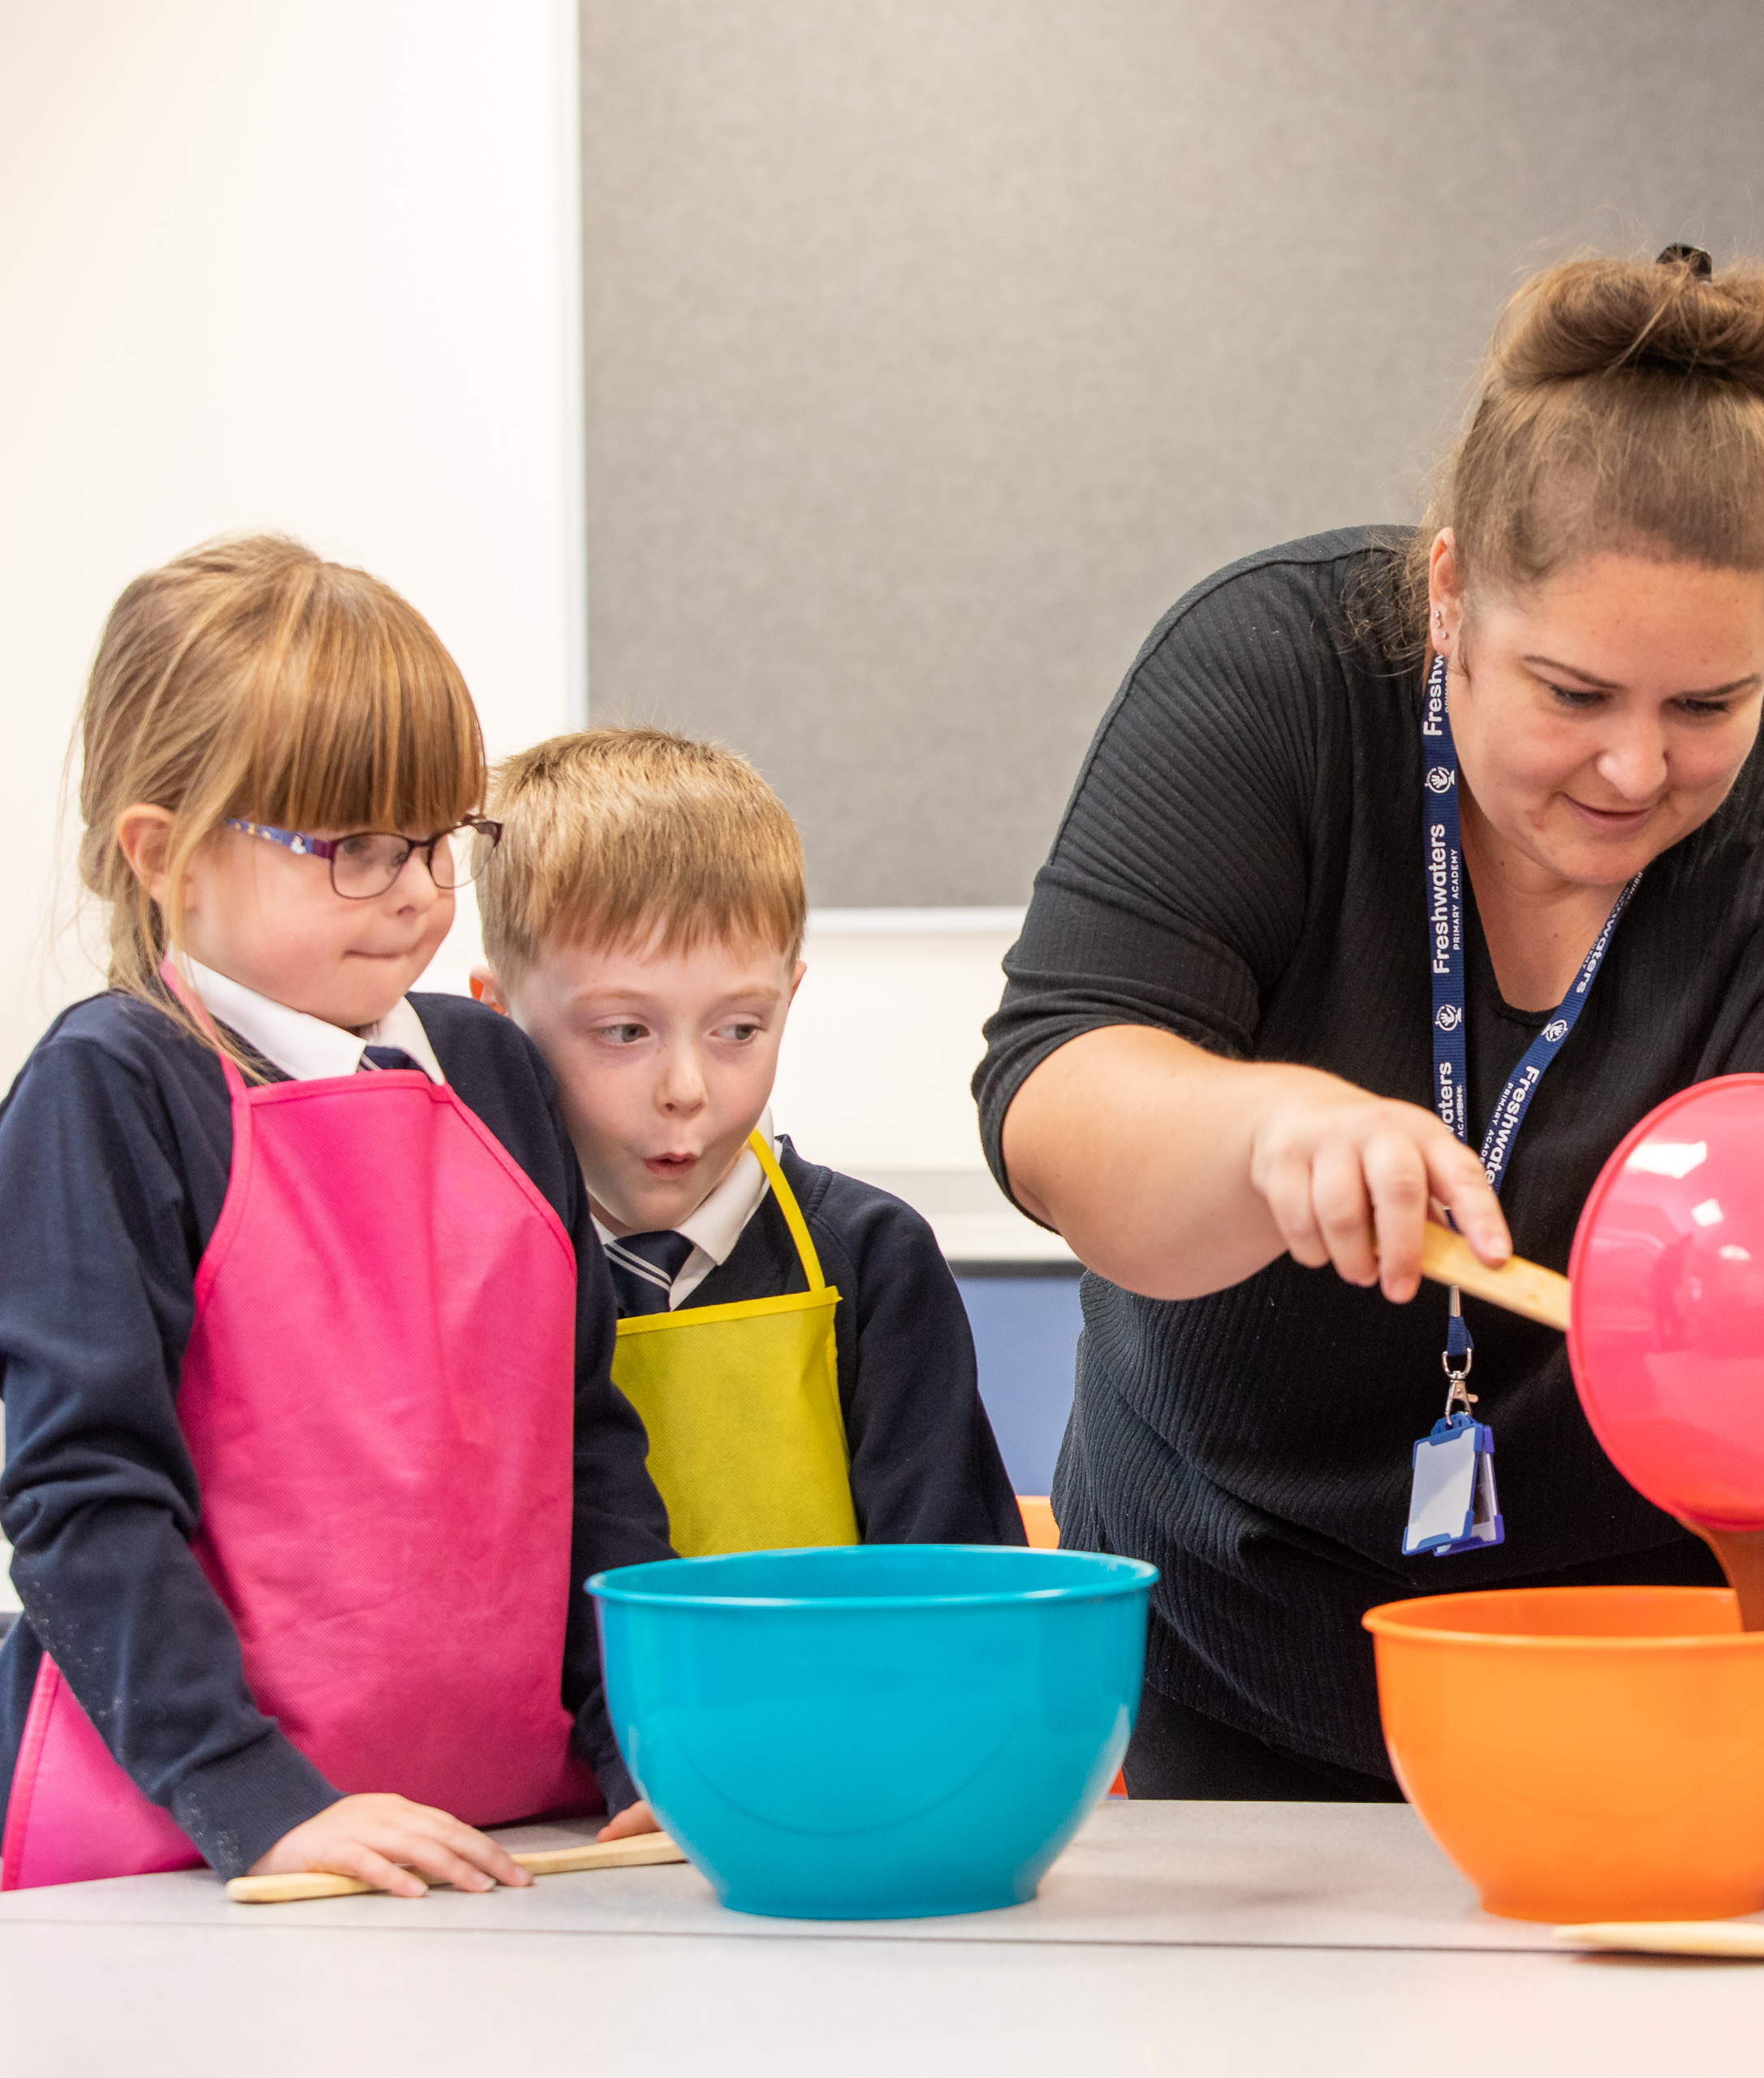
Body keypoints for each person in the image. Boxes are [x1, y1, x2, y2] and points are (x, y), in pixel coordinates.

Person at [973, 245, 1764, 1797]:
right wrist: (1265, 1129)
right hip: (1231, 1621)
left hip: (1645, 1656)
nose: (1636, 771)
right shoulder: (1274, 681)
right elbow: (1056, 1105)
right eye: (1572, 694)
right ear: (1450, 593)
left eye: (1709, 706)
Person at [0, 536, 673, 1895]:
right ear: (166, 857)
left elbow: (589, 1456)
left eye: (439, 839)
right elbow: (85, 1499)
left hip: (504, 1828)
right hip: (194, 1846)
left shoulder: (494, 1074)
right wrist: (258, 1799)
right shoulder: (112, 1086)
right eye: (355, 850)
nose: (419, 892)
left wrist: (648, 1750)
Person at [471, 729, 1022, 1554]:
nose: (686, 1088)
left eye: (737, 1029)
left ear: (788, 999)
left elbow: (950, 1587)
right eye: (625, 1031)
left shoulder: (873, 1262)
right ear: (497, 1015)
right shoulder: (474, 1271)